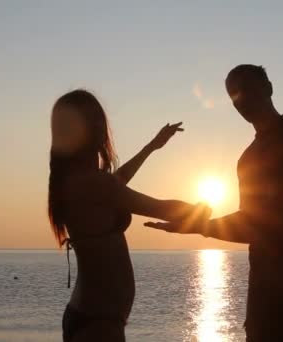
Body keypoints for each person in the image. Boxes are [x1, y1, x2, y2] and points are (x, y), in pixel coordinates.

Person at [146, 64, 283, 341]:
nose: (240, 100)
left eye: (246, 90)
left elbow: (264, 223)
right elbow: (251, 222)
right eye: (233, 95)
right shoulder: (248, 158)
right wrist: (196, 225)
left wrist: (197, 225)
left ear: (268, 88)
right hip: (268, 293)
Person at [48, 89, 209, 342]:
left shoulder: (74, 181)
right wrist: (202, 210)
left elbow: (116, 182)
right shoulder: (94, 184)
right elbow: (157, 207)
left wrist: (151, 147)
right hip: (99, 323)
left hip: (90, 315)